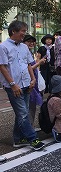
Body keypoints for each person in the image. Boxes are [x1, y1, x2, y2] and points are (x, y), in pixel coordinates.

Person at [0, 21, 45, 150]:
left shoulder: (24, 47)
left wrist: (32, 80)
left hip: (27, 84)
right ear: (13, 31)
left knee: (22, 113)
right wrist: (13, 85)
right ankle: (32, 138)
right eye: (22, 31)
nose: (24, 34)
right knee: (23, 113)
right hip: (14, 86)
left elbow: (29, 64)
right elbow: (2, 67)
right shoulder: (3, 47)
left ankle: (18, 139)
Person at [23, 34, 46, 126]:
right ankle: (27, 130)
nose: (31, 43)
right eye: (28, 41)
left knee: (32, 107)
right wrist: (39, 62)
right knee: (29, 107)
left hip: (33, 83)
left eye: (32, 42)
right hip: (28, 83)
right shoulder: (23, 53)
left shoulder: (29, 53)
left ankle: (30, 127)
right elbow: (28, 69)